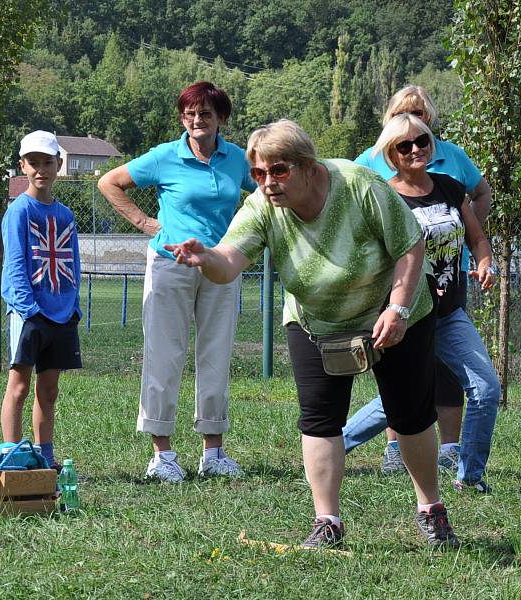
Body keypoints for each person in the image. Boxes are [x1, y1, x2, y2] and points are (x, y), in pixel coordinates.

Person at [166, 120, 459, 548]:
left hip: (395, 311)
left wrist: (397, 308)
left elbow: (409, 245)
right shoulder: (263, 206)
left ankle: (431, 510)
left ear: (308, 166)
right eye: (259, 173)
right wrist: (204, 257)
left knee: (409, 414)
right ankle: (328, 523)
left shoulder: (359, 184)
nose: (268, 183)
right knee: (320, 420)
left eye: (279, 170)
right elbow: (228, 263)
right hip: (315, 320)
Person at [97, 81, 256, 482]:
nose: (196, 120)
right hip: (170, 265)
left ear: (221, 117)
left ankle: (213, 453)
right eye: (189, 113)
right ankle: (163, 456)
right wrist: (145, 223)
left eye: (205, 113)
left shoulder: (237, 159)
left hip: (220, 265)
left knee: (216, 354)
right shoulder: (165, 156)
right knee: (164, 355)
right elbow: (109, 182)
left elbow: (266, 193)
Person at [345, 85, 495, 484]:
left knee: (486, 388)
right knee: (404, 395)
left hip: (447, 311)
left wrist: (484, 263)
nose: (415, 148)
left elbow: (476, 236)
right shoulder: (381, 196)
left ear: (432, 139)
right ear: (389, 153)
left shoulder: (449, 184)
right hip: (404, 314)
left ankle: (470, 476)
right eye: (404, 144)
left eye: (422, 141)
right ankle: (331, 444)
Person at [0, 130, 82, 471]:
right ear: (22, 166)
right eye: (33, 163)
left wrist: (72, 306)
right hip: (30, 314)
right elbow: (15, 264)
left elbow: (73, 263)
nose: (40, 170)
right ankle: (12, 458)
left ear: (59, 165)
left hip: (62, 316)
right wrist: (29, 309)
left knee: (48, 392)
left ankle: (45, 458)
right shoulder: (18, 211)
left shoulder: (65, 215)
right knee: (18, 388)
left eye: (47, 162)